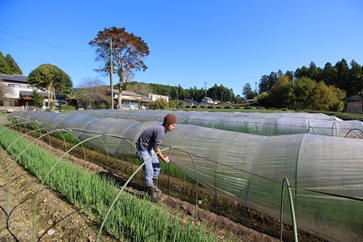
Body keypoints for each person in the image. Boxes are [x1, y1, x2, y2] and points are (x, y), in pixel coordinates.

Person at [135, 114, 177, 203]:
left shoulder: (162, 129)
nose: (173, 127)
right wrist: (163, 158)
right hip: (143, 149)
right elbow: (156, 148)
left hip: (149, 148)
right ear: (167, 124)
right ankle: (151, 196)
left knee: (157, 166)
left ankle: (154, 187)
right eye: (172, 125)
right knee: (149, 170)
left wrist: (161, 156)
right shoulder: (161, 130)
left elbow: (155, 146)